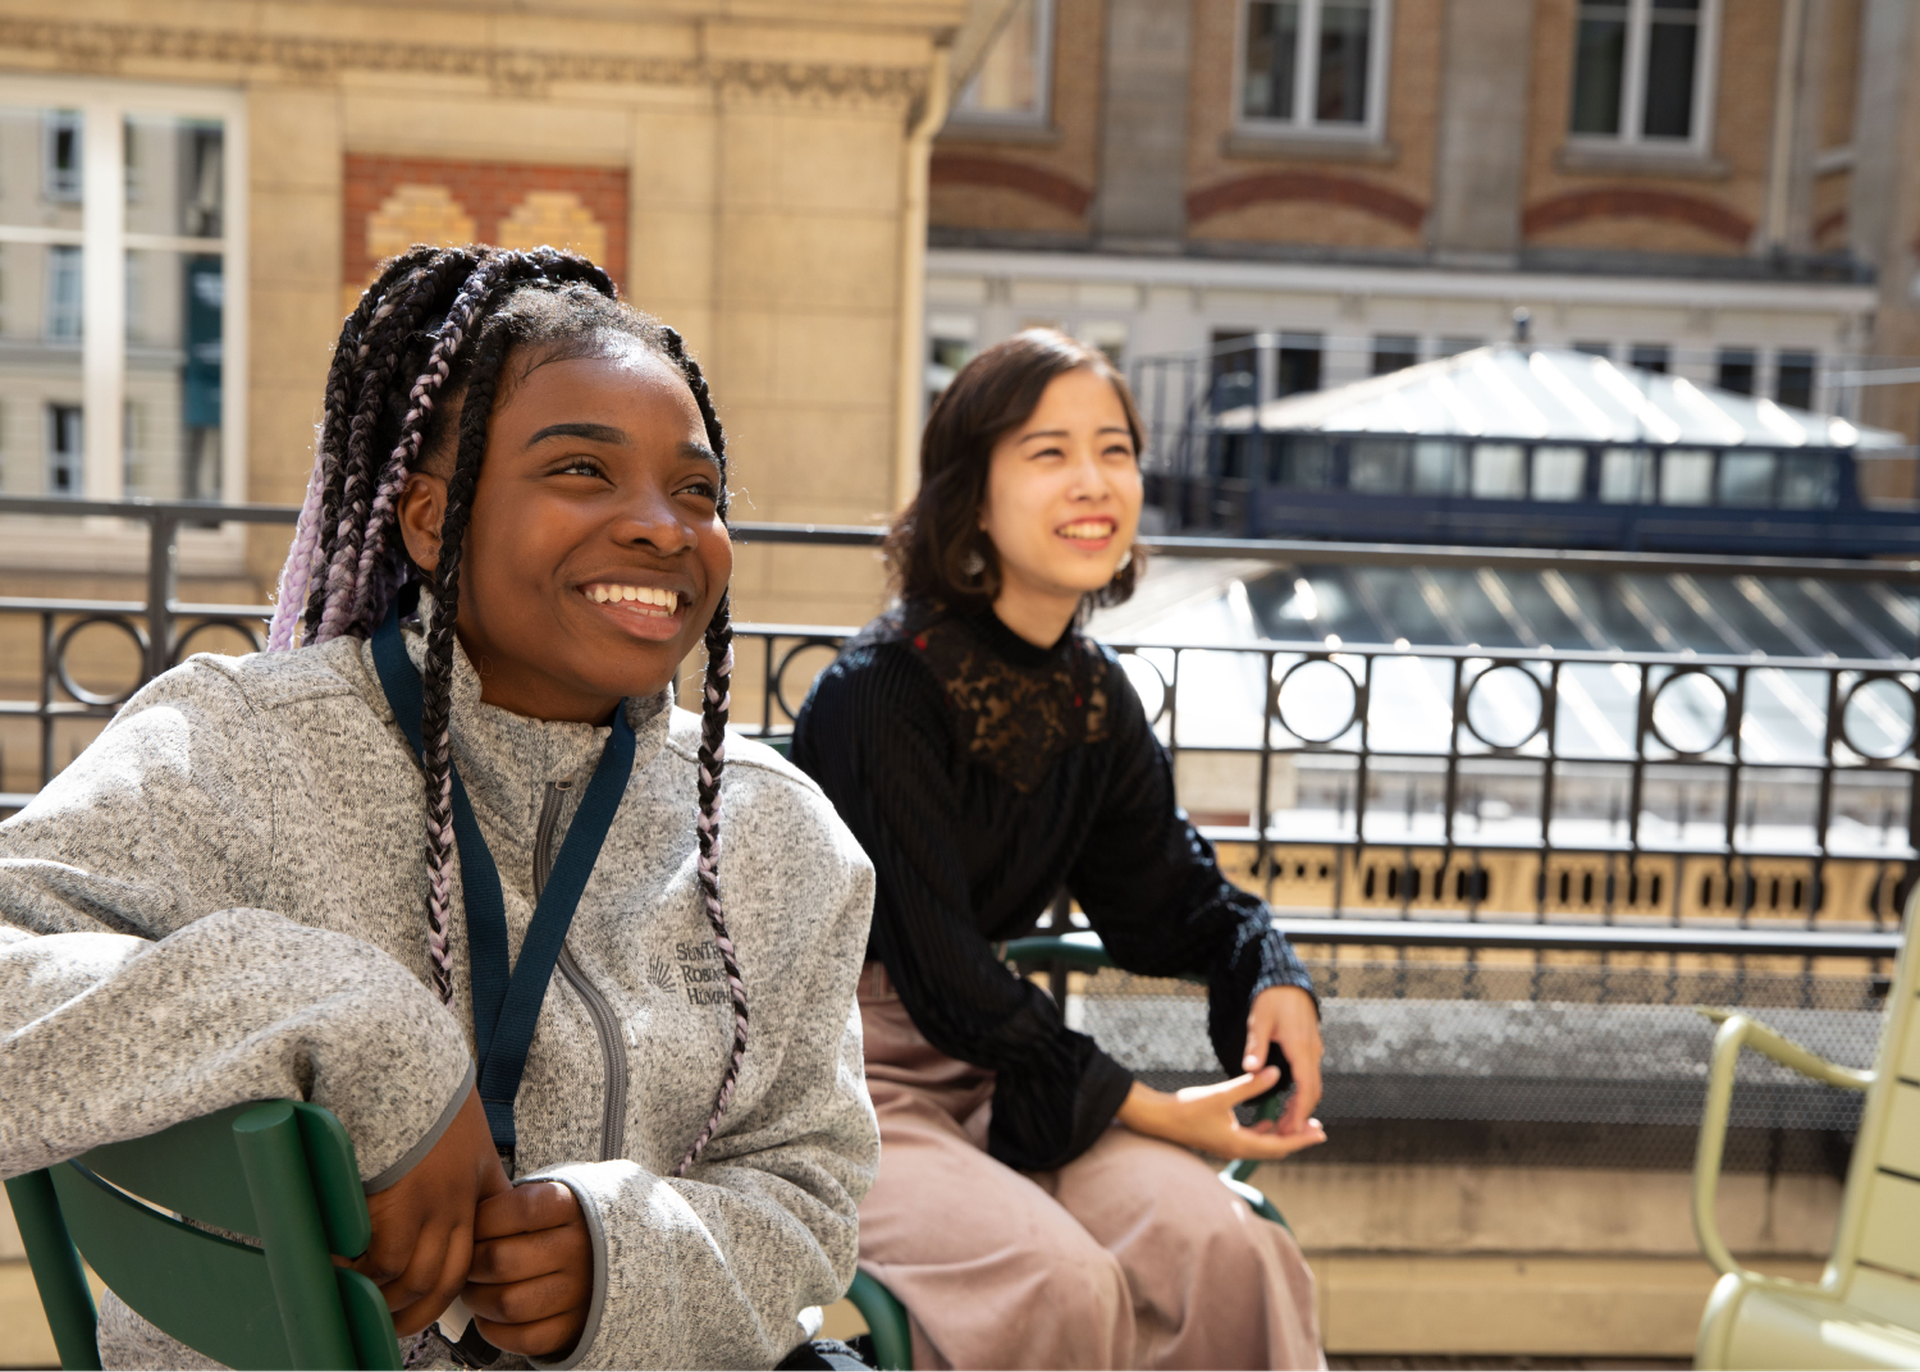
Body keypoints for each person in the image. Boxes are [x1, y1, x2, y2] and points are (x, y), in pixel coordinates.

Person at [0, 246, 878, 1372]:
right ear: (429, 519)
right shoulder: (239, 748)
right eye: (581, 471)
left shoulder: (779, 834)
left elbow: (810, 1185)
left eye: (697, 490)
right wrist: (350, 1019)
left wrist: (624, 1260)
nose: (664, 526)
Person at [791, 329, 1329, 1372]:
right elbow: (942, 973)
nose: (1094, 482)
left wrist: (1270, 972)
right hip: (838, 1086)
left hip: (1006, 1069)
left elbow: (1168, 895)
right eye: (1048, 453)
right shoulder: (876, 696)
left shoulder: (1092, 694)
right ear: (972, 495)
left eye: (1115, 449)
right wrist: (1155, 1111)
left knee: (1229, 1250)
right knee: (1061, 1285)